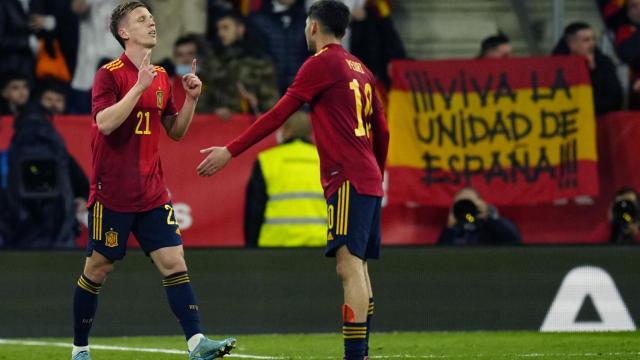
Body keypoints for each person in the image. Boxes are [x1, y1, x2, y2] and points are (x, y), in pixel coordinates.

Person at [197, 2, 389, 359]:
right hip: (367, 178)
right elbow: (383, 129)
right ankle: (361, 352)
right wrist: (376, 174)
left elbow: (277, 114)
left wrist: (230, 150)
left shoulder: (322, 63)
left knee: (348, 267)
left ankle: (356, 354)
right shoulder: (360, 68)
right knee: (358, 266)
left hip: (347, 177)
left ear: (313, 27)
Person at [70, 2, 236, 360]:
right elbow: (105, 123)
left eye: (151, 18)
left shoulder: (161, 75)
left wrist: (191, 99)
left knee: (174, 261)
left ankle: (196, 343)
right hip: (112, 193)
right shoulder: (109, 74)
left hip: (152, 192)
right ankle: (80, 349)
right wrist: (137, 88)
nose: (152, 23)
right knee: (98, 269)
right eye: (142, 19)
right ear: (124, 32)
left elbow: (175, 131)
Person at [244, 112, 326, 247]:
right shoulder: (325, 160)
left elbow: (254, 211)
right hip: (319, 244)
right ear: (310, 133)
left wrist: (251, 248)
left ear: (285, 131)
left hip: (274, 244)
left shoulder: (266, 160)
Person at [198, 12, 279, 118]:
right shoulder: (212, 62)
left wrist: (255, 105)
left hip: (249, 125)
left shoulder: (259, 63)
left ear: (240, 29)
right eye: (218, 29)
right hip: (217, 127)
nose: (220, 33)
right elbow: (199, 100)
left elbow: (272, 103)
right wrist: (214, 111)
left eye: (225, 28)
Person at [552, 22, 623, 117]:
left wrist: (593, 70)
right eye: (586, 40)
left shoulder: (603, 62)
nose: (592, 44)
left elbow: (615, 97)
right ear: (571, 44)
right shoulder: (556, 64)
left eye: (593, 39)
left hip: (598, 117)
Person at [249, 0, 309, 93]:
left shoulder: (308, 21)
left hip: (300, 94)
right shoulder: (258, 20)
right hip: (266, 93)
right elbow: (253, 62)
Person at [437, 188, 521, 246]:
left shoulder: (493, 223)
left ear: (481, 202)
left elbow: (513, 241)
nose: (466, 207)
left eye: (469, 201)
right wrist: (450, 228)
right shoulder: (456, 229)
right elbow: (439, 257)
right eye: (462, 204)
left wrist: (488, 217)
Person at [171, 34, 208, 110]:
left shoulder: (210, 82)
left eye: (190, 54)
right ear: (174, 58)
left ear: (198, 56)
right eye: (180, 55)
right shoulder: (167, 84)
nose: (186, 59)